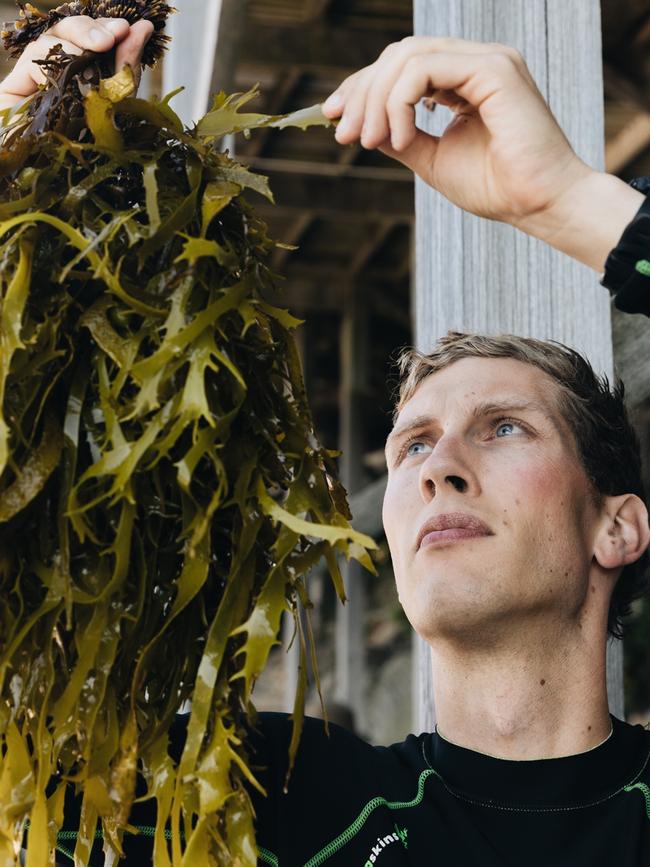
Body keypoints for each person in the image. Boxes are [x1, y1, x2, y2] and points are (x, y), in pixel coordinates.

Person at [2, 19, 650, 867]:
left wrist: (566, 199)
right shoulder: (278, 805)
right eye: (412, 445)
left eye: (503, 427)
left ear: (619, 526)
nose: (440, 470)